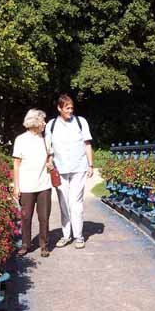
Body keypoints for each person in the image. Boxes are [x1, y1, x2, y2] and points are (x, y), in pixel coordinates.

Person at [46, 93, 93, 249]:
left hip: (79, 167)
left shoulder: (81, 122)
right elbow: (48, 148)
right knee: (64, 203)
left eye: (71, 108)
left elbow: (87, 144)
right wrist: (49, 162)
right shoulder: (51, 125)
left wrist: (91, 165)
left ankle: (79, 236)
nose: (70, 111)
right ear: (59, 108)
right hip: (60, 169)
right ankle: (66, 235)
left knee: (76, 202)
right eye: (67, 108)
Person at [12, 109, 53, 258]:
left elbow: (50, 156)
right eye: (42, 121)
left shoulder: (46, 139)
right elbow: (16, 164)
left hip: (44, 185)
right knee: (26, 217)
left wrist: (50, 163)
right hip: (26, 186)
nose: (45, 123)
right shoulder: (20, 140)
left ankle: (44, 245)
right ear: (34, 122)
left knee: (44, 217)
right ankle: (25, 244)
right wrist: (16, 186)